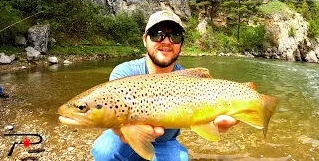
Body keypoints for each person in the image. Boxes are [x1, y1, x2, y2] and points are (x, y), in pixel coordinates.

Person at [91, 10, 238, 161]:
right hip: (123, 138)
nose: (166, 41)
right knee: (105, 151)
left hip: (165, 142)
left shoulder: (189, 79)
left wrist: (232, 113)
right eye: (156, 34)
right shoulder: (125, 73)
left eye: (175, 36)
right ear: (144, 39)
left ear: (181, 43)